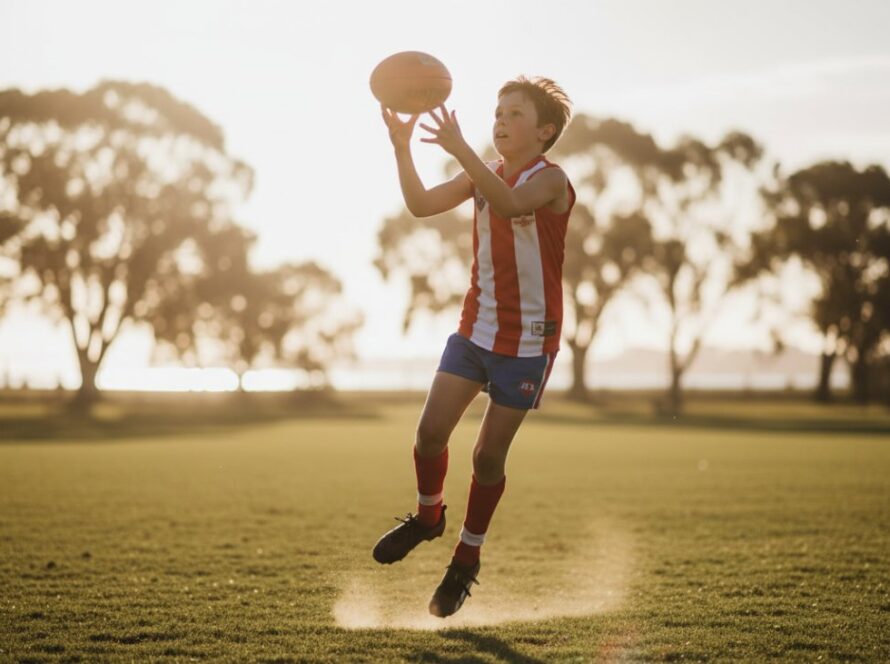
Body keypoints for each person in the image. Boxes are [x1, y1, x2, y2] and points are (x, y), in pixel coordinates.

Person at [373, 76, 575, 618]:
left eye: (514, 114)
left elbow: (509, 204)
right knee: (430, 432)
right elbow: (419, 204)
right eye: (498, 112)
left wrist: (461, 147)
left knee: (487, 457)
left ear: (545, 131)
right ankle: (428, 517)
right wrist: (401, 149)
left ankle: (466, 559)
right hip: (475, 330)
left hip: (528, 343)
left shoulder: (550, 180)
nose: (500, 121)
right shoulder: (481, 174)